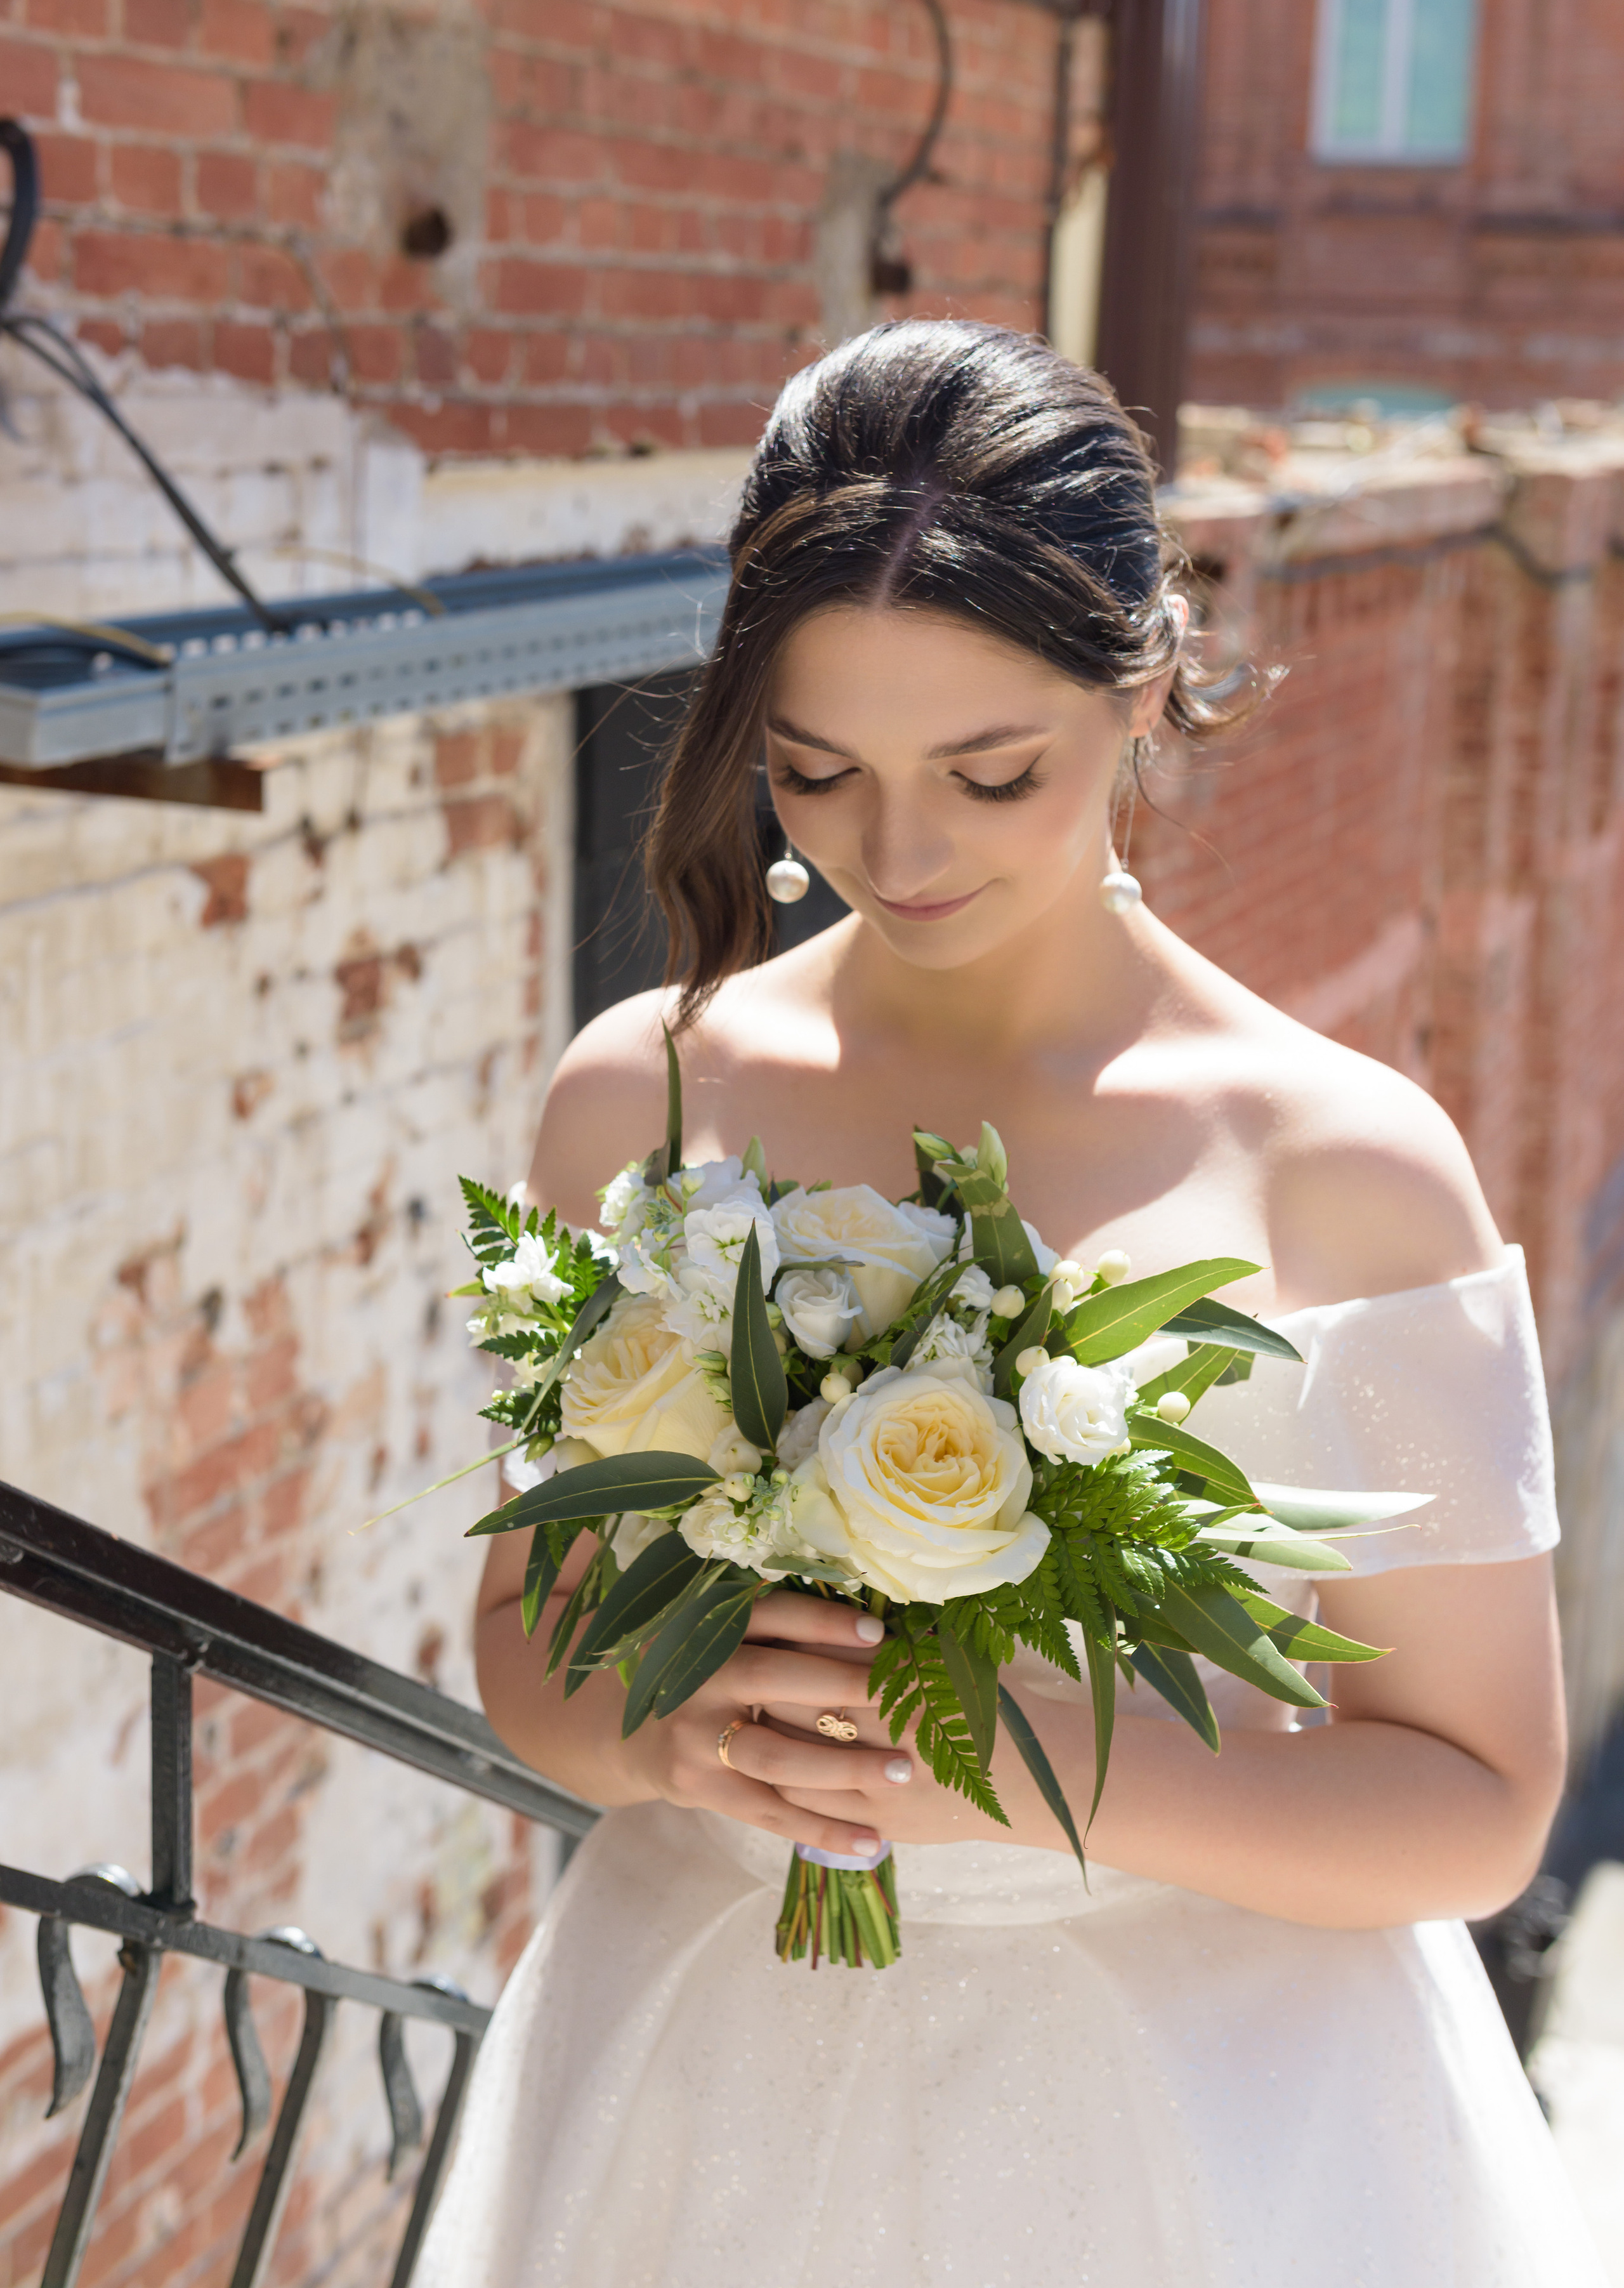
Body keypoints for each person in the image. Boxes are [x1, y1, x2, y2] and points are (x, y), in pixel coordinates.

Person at [418, 321, 1604, 2285]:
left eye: (991, 770)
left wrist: (1010, 1762)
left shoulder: (1345, 1163)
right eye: (819, 771)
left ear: (1145, 687)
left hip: (1205, 2134)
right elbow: (528, 1648)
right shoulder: (644, 1092)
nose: (898, 851)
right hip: (706, 2082)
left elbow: (1479, 1800)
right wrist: (680, 1742)